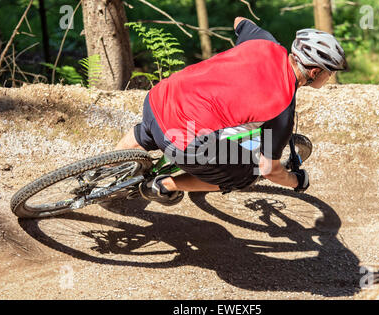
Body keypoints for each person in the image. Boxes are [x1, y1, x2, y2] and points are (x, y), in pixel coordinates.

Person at [115, 17, 348, 206]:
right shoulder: (282, 109)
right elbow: (269, 169)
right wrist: (296, 181)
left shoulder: (264, 42)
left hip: (160, 97)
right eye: (330, 72)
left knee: (145, 132)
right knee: (246, 175)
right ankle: (165, 185)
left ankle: (101, 171)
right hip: (180, 141)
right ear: (316, 72)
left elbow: (239, 21)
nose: (331, 76)